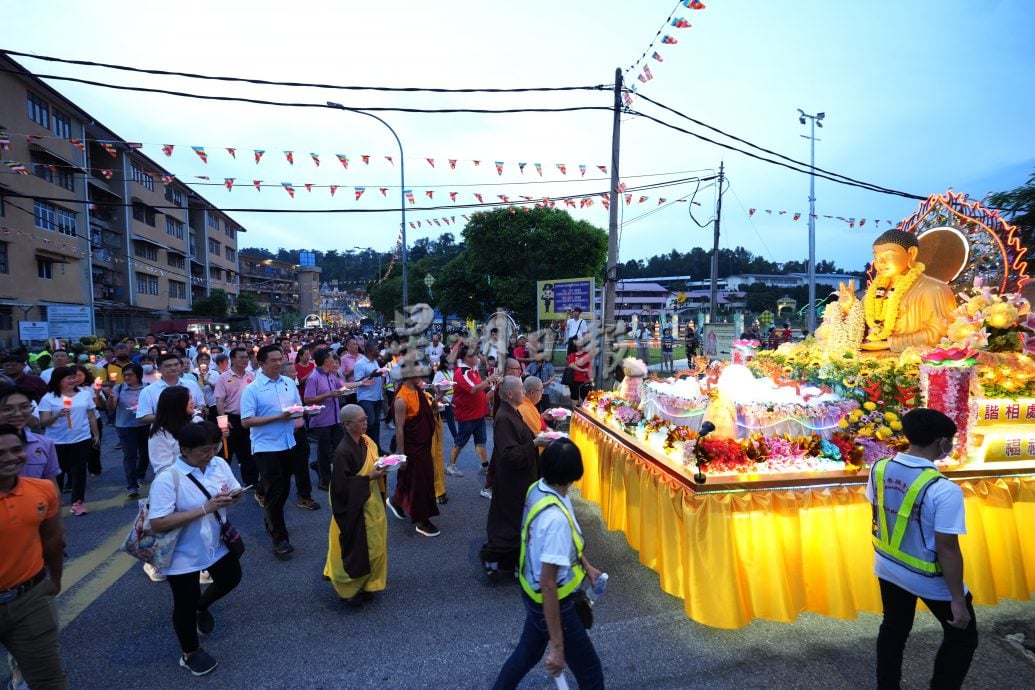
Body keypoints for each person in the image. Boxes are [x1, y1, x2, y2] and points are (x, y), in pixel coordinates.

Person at [867, 408, 977, 689]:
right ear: (941, 442)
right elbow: (948, 550)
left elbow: (879, 511)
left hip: (889, 566)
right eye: (950, 440)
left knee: (894, 628)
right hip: (929, 577)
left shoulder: (879, 468)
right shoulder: (944, 489)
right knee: (963, 637)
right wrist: (957, 600)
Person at [493, 439, 604, 689]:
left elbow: (557, 549)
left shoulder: (538, 489)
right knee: (590, 673)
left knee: (526, 655)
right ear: (576, 472)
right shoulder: (555, 521)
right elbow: (549, 583)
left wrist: (586, 566)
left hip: (531, 592)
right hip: (556, 604)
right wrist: (557, 647)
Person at [147, 422, 244, 677]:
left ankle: (203, 605)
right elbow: (157, 523)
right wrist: (205, 509)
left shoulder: (218, 464)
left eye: (213, 448)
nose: (210, 454)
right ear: (185, 450)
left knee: (231, 577)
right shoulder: (168, 478)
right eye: (203, 450)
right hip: (181, 552)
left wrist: (235, 496)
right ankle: (189, 653)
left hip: (215, 541)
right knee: (184, 603)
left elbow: (233, 489)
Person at [0, 423, 69, 689]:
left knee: (48, 680)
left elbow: (53, 538)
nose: (9, 457)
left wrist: (54, 580)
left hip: (30, 598)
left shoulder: (42, 489)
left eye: (16, 449)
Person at [834, 229, 957, 351]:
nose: (880, 263)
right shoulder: (874, 293)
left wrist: (889, 343)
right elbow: (860, 326)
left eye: (888, 255)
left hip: (913, 363)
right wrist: (847, 308)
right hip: (871, 360)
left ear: (911, 253)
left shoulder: (934, 289)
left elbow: (941, 333)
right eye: (876, 257)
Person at [481, 376, 548, 580]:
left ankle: (510, 562)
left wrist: (534, 440)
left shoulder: (513, 412)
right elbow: (509, 454)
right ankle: (492, 557)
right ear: (510, 394)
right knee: (509, 523)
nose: (525, 393)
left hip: (520, 478)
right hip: (512, 481)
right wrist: (534, 445)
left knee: (516, 522)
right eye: (521, 389)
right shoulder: (503, 417)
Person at [241, 345, 302, 560]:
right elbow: (246, 421)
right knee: (275, 491)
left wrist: (300, 415)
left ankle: (271, 520)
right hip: (266, 448)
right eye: (274, 360)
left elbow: (297, 408)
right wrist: (278, 417)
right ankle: (279, 538)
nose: (278, 364)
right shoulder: (252, 389)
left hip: (288, 443)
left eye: (281, 359)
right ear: (261, 363)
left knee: (284, 489)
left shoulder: (288, 383)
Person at [324, 404, 389, 606]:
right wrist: (369, 477)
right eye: (360, 420)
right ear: (347, 424)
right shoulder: (343, 452)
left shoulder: (366, 441)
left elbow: (374, 460)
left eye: (366, 419)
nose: (365, 423)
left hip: (371, 502)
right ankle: (349, 589)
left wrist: (385, 464)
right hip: (353, 507)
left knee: (376, 545)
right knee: (356, 548)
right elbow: (341, 489)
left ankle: (368, 584)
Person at [385, 361, 441, 537]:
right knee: (420, 482)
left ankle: (396, 501)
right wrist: (401, 454)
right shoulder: (401, 399)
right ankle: (421, 520)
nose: (422, 375)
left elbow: (425, 412)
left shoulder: (417, 391)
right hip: (411, 447)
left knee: (411, 478)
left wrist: (437, 398)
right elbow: (399, 427)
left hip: (422, 444)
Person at [36, 366, 99, 516]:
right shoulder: (49, 398)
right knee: (58, 472)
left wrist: (95, 434)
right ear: (58, 381)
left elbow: (91, 415)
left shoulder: (84, 394)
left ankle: (77, 502)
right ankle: (55, 502)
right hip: (57, 441)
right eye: (69, 378)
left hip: (81, 438)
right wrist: (57, 415)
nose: (73, 380)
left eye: (74, 377)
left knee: (79, 471)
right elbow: (43, 422)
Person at [214, 347, 260, 502]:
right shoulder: (224, 377)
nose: (245, 360)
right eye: (241, 357)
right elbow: (219, 399)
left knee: (248, 451)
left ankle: (251, 482)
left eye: (246, 357)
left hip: (248, 418)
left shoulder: (251, 376)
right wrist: (223, 418)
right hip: (231, 419)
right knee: (227, 452)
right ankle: (222, 484)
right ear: (232, 359)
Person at [450, 345, 499, 481]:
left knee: (481, 441)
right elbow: (473, 390)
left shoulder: (473, 371)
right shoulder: (461, 373)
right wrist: (489, 381)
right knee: (461, 441)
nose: (477, 358)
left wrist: (494, 387)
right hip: (467, 414)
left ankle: (484, 465)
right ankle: (451, 465)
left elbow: (481, 394)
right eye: (474, 355)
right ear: (467, 358)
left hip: (478, 413)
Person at [279, 359, 320, 511]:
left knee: (302, 464)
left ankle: (304, 496)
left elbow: (299, 406)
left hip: (299, 430)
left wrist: (307, 411)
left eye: (295, 372)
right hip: (283, 432)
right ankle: (265, 490)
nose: (295, 375)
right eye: (291, 373)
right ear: (282, 374)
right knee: (285, 468)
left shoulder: (292, 386)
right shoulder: (276, 388)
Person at [0, 385, 60, 486]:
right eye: (8, 409)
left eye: (24, 407)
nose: (18, 413)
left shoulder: (44, 444)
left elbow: (51, 485)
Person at [107, 362, 150, 498]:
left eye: (130, 374)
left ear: (138, 375)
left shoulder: (148, 388)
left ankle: (140, 474)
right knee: (130, 455)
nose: (127, 377)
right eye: (124, 375)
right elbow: (110, 408)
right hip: (125, 426)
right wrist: (111, 398)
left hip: (145, 424)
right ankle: (132, 485)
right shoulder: (119, 389)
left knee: (145, 452)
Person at [136, 353, 206, 425]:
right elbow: (142, 417)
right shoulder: (148, 390)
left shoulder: (191, 384)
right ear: (159, 369)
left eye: (176, 364)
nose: (173, 368)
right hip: (163, 432)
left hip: (191, 429)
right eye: (168, 366)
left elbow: (201, 405)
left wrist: (196, 416)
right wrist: (170, 417)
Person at [353, 342, 386, 453]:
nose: (379, 351)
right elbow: (357, 381)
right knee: (369, 423)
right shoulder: (360, 364)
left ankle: (376, 448)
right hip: (366, 398)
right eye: (377, 349)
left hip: (377, 397)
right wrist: (372, 375)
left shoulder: (375, 362)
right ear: (370, 350)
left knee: (376, 424)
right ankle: (365, 448)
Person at [432, 354, 458, 443]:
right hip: (442, 400)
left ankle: (456, 438)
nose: (452, 363)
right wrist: (440, 396)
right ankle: (456, 438)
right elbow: (433, 386)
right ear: (445, 364)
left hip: (451, 399)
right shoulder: (439, 373)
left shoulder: (452, 372)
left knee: (449, 418)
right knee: (441, 418)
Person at [566, 338, 593, 405]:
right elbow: (571, 365)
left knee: (587, 399)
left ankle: (586, 413)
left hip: (586, 380)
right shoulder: (572, 355)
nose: (580, 346)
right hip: (574, 381)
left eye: (581, 344)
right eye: (578, 344)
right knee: (574, 397)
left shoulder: (587, 354)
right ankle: (575, 413)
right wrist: (582, 370)